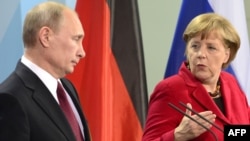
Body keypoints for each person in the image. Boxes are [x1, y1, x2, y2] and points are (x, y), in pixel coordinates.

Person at [142, 13, 250, 141]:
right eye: (195, 46)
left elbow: (237, 132)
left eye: (211, 48)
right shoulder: (170, 89)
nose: (201, 54)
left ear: (226, 55)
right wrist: (177, 136)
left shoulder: (230, 83)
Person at [0, 1, 91, 141]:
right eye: (76, 39)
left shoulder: (68, 88)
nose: (82, 52)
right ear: (46, 37)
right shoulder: (10, 99)